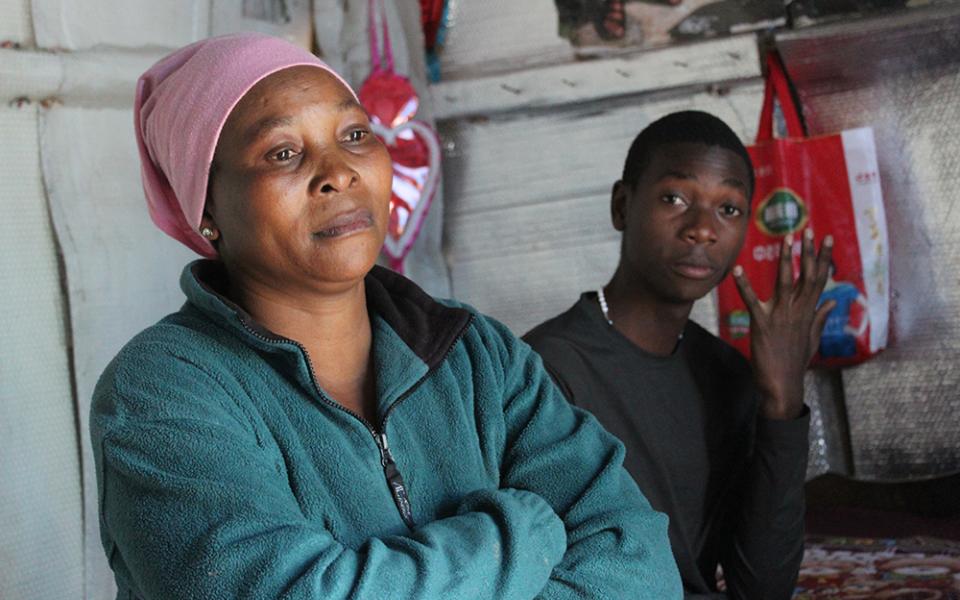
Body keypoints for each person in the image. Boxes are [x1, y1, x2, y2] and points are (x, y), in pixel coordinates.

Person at [90, 33, 682, 599]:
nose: (338, 173)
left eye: (354, 134)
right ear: (207, 208)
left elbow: (640, 567)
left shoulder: (476, 355)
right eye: (284, 152)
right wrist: (519, 537)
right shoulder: (162, 393)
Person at [524, 111, 835, 599]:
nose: (702, 230)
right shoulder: (545, 369)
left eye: (727, 209)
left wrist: (782, 402)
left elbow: (764, 587)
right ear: (622, 206)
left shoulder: (729, 376)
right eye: (675, 198)